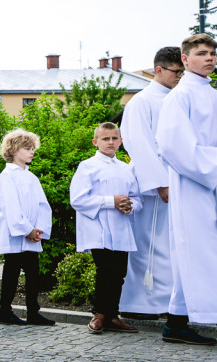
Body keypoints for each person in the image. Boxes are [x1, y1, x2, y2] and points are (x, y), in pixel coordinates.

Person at [156, 33, 217, 345]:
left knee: (203, 252)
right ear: (185, 59)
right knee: (194, 251)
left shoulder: (212, 94)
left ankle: (177, 322)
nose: (209, 58)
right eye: (202, 53)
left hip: (210, 182)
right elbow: (173, 145)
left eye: (212, 53)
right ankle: (181, 322)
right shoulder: (179, 97)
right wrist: (212, 168)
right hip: (194, 184)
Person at [119, 47, 182, 320]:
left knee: (171, 245)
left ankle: (169, 302)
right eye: (176, 71)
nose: (180, 76)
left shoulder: (177, 99)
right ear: (159, 70)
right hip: (155, 184)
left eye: (183, 71)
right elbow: (139, 144)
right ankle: (142, 304)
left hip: (178, 179)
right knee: (149, 245)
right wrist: (160, 182)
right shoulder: (142, 102)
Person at [71, 122, 142, 334]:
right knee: (105, 270)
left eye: (114, 138)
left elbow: (137, 198)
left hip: (121, 228)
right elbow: (78, 199)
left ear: (120, 141)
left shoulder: (127, 169)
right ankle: (99, 314)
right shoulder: (87, 166)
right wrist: (112, 201)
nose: (110, 142)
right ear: (96, 142)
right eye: (105, 139)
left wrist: (131, 206)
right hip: (99, 228)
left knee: (119, 273)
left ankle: (112, 315)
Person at [0, 129, 55, 326]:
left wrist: (39, 229)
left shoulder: (31, 177)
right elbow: (11, 206)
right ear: (14, 149)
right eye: (27, 148)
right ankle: (5, 311)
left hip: (31, 235)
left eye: (33, 148)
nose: (32, 152)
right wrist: (27, 229)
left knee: (33, 273)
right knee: (12, 272)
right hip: (15, 234)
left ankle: (33, 311)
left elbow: (43, 205)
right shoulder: (7, 176)